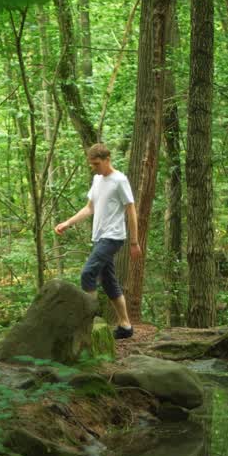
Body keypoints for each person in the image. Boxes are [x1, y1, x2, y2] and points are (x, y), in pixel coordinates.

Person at [53, 142, 141, 339]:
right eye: (91, 164)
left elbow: (131, 209)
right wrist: (67, 223)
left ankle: (88, 325)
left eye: (96, 163)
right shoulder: (97, 179)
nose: (93, 167)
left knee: (88, 273)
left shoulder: (119, 180)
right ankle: (125, 326)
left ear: (107, 160)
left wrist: (134, 242)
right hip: (99, 237)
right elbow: (89, 208)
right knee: (109, 282)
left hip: (113, 236)